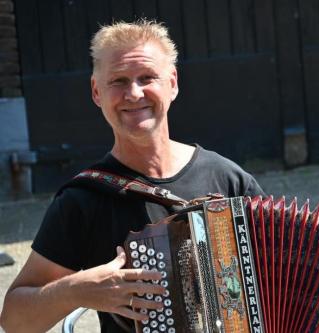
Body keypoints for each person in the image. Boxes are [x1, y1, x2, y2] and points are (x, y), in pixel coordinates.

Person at [0, 20, 264, 333]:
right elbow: (14, 321)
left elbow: (280, 277)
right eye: (119, 81)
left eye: (147, 77)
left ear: (173, 83)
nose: (134, 93)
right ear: (97, 92)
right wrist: (76, 290)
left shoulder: (229, 179)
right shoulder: (84, 200)